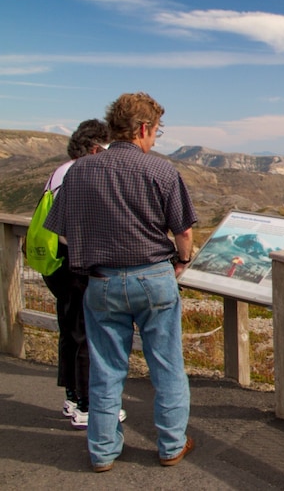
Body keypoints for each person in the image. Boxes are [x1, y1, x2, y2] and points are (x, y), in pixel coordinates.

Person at [45, 92, 197, 473]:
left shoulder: (79, 170)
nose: (154, 140)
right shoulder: (160, 171)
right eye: (156, 133)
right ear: (143, 128)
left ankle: (102, 450)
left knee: (106, 368)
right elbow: (183, 232)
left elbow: (62, 233)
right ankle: (171, 445)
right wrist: (181, 262)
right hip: (154, 278)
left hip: (101, 282)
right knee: (167, 366)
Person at [37, 119, 125, 429]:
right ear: (92, 148)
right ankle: (88, 404)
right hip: (75, 263)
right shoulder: (80, 174)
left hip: (57, 263)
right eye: (106, 148)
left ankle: (74, 397)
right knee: (87, 333)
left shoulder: (60, 171)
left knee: (70, 329)